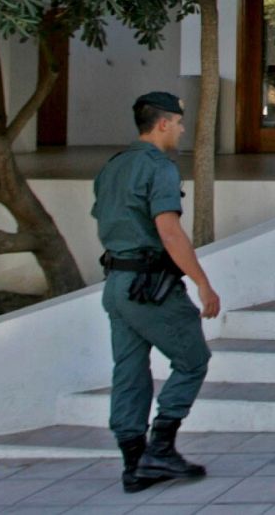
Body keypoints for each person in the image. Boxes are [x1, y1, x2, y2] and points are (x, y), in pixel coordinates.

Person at [91, 91, 221, 493]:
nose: (182, 129)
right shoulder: (158, 167)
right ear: (163, 123)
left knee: (129, 371)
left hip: (116, 283)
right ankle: (160, 447)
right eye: (179, 122)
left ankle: (134, 463)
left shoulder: (114, 166)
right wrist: (202, 283)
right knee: (193, 358)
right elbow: (168, 230)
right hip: (150, 285)